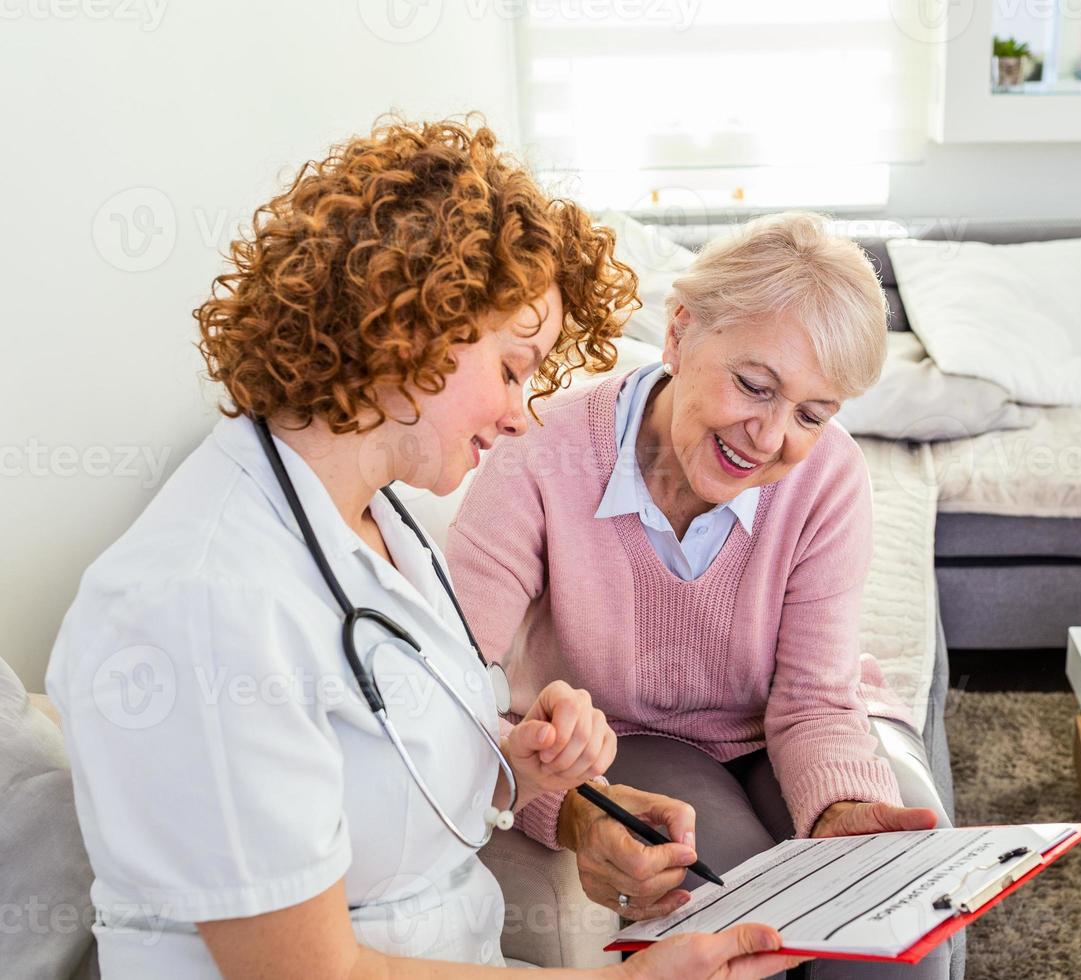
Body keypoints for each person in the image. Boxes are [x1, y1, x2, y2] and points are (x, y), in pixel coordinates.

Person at [43, 116, 807, 980]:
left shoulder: (380, 522)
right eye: (515, 368)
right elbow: (305, 974)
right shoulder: (199, 601)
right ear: (406, 325)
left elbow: (388, 776)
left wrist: (536, 775)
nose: (525, 413)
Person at [446, 212, 963, 979]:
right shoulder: (538, 458)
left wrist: (840, 810)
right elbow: (447, 702)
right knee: (745, 924)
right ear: (680, 333)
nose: (769, 437)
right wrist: (573, 812)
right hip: (634, 734)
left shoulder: (827, 479)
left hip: (805, 718)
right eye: (754, 386)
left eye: (811, 415)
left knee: (905, 932)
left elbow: (815, 700)